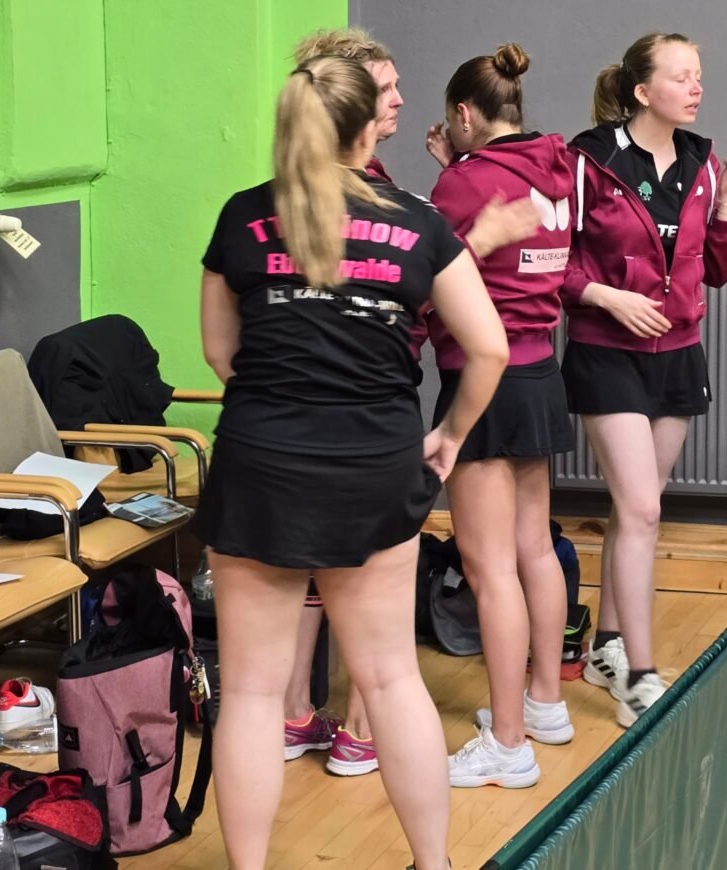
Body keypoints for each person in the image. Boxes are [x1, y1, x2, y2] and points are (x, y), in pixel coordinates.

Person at [195, 56, 508, 870]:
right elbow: (489, 348)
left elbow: (221, 355)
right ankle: (433, 864)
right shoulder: (416, 221)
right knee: (393, 679)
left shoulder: (240, 216)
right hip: (375, 463)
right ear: (369, 129)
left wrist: (283, 409)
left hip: (259, 464)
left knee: (253, 692)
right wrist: (450, 436)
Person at [282, 27, 539, 777]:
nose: (400, 97)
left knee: (313, 567)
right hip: (372, 412)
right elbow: (393, 302)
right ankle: (362, 732)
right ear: (348, 99)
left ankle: (295, 715)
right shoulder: (379, 198)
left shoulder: (291, 191)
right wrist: (477, 239)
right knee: (371, 571)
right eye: (387, 87)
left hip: (301, 419)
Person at [562, 33, 727, 726]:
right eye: (680, 77)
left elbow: (717, 270)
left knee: (634, 509)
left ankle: (607, 646)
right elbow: (555, 262)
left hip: (679, 353)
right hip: (607, 351)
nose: (696, 87)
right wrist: (607, 298)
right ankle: (642, 677)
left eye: (698, 75)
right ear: (643, 91)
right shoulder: (589, 160)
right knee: (642, 510)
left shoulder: (703, 162)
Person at [423, 43, 575, 789]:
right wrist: (455, 164)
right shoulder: (558, 168)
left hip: (480, 379)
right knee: (534, 548)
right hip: (540, 369)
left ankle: (508, 745)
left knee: (489, 571)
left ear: (462, 113)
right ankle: (545, 703)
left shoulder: (462, 183)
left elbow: (434, 277)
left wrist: (450, 173)